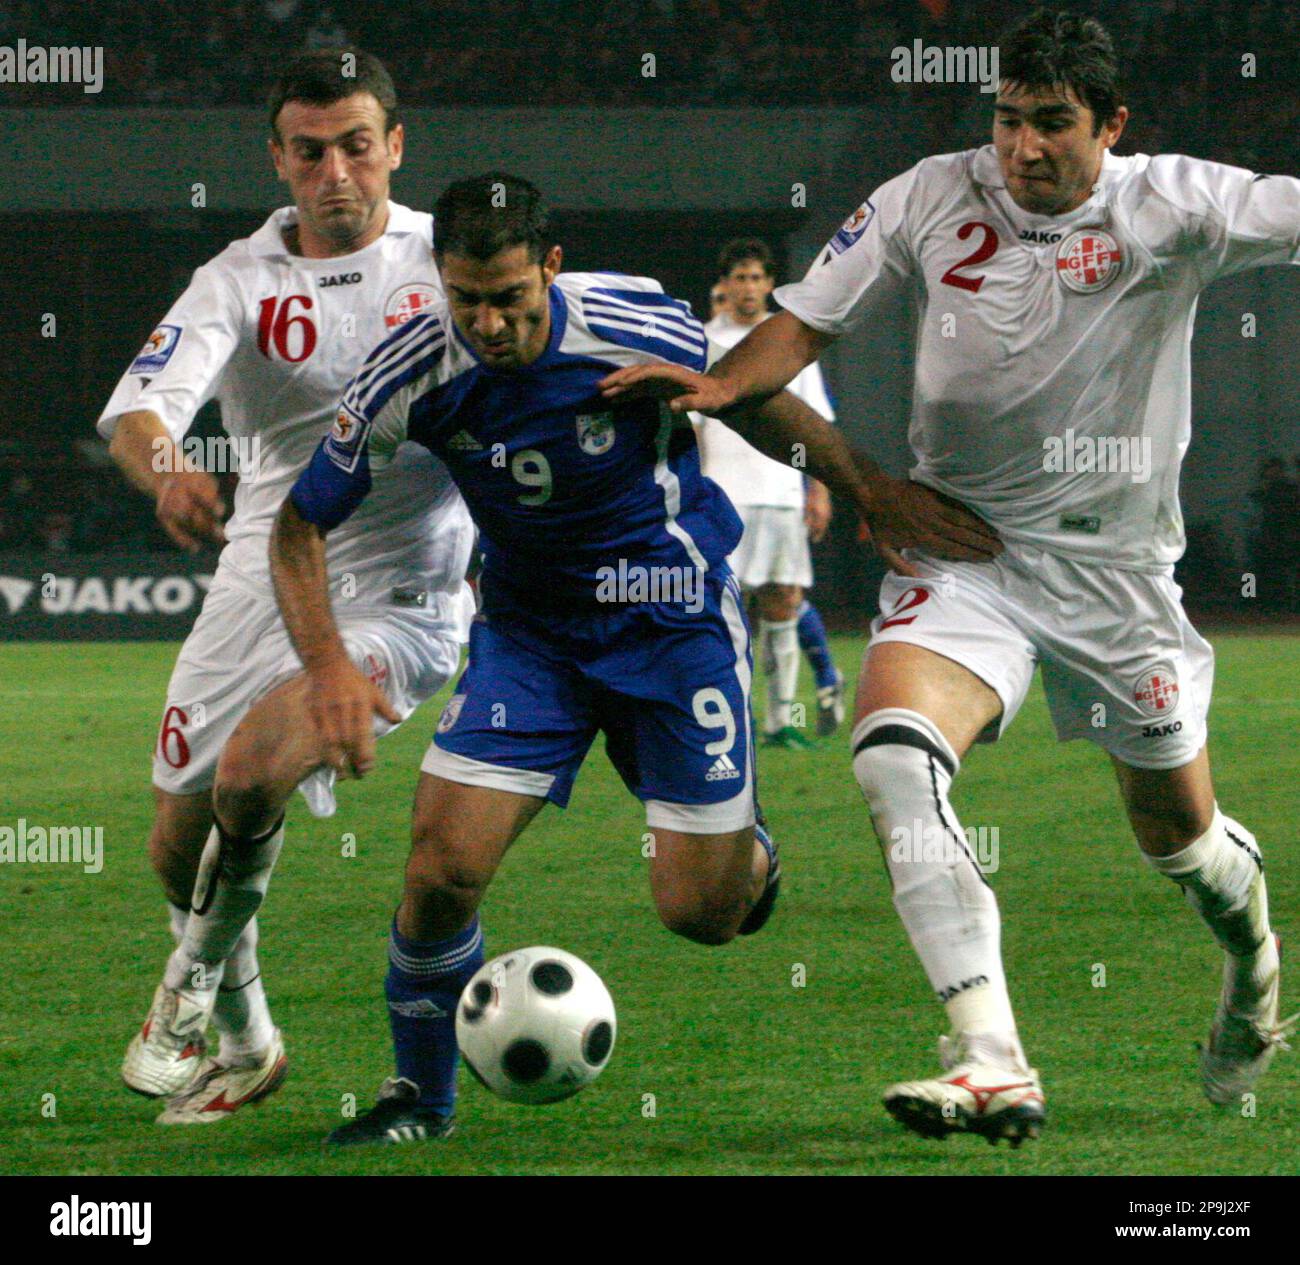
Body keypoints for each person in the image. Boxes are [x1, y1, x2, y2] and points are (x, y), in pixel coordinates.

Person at [602, 8, 1299, 1145]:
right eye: (1007, 119)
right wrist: (719, 386)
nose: (1022, 148)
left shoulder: (1176, 203)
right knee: (888, 758)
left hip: (1115, 576)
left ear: (1109, 126)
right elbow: (799, 324)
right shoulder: (927, 193)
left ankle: (1254, 966)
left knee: (1181, 843)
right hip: (963, 557)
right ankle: (990, 1056)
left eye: (1053, 126)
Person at [264, 171, 999, 1145]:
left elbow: (748, 394)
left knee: (703, 911)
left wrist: (862, 484)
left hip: (670, 622)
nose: (486, 322)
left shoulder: (630, 318)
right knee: (440, 867)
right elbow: (297, 526)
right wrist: (326, 668)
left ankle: (750, 850)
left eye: (509, 299)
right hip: (530, 636)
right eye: (464, 298)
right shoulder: (407, 369)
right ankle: (420, 1096)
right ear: (439, 279)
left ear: (551, 270)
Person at [99, 49, 474, 1125]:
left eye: (358, 145)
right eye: (310, 151)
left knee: (256, 775)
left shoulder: (446, 258)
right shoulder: (239, 275)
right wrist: (167, 468)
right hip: (265, 565)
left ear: (394, 146)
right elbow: (143, 407)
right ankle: (247, 1040)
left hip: (402, 587)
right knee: (177, 843)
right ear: (279, 157)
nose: (336, 172)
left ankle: (181, 997)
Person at [694, 237, 846, 745]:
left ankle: (781, 723)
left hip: (780, 493)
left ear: (771, 285)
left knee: (783, 603)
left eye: (757, 277)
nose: (749, 286)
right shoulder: (701, 340)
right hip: (723, 497)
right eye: (739, 277)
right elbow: (690, 429)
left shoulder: (788, 344)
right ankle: (730, 719)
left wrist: (819, 492)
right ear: (724, 284)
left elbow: (818, 425)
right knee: (722, 610)